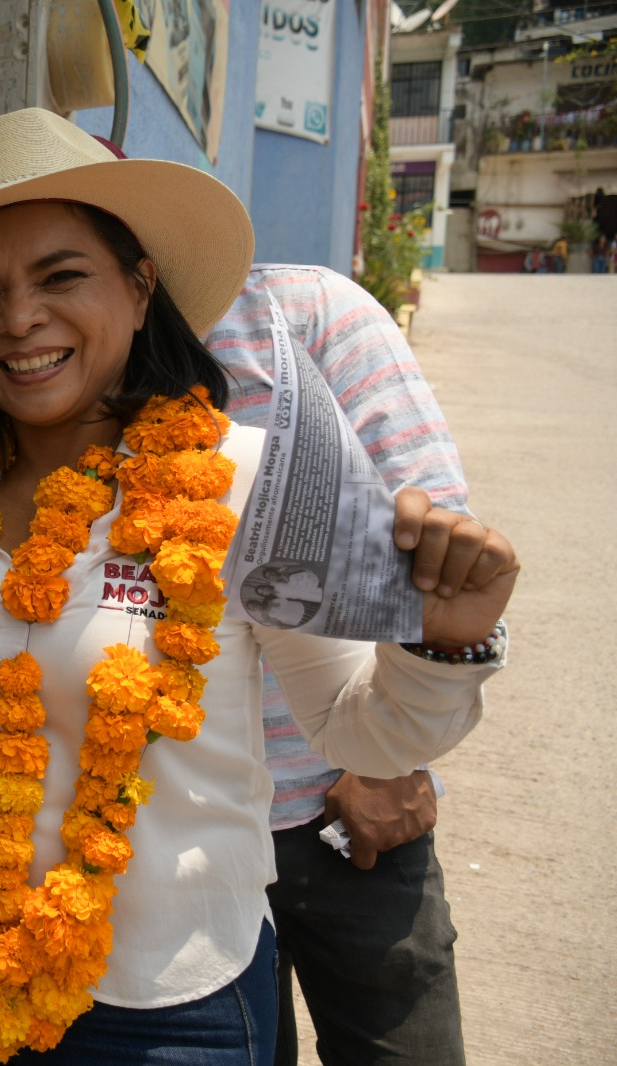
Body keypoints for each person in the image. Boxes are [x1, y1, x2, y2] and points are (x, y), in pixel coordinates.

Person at [0, 108, 516, 1064]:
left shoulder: (241, 480)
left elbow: (356, 726)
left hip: (172, 1012)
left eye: (61, 276)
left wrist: (443, 646)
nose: (18, 320)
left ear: (139, 288)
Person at [208, 262, 475, 1065]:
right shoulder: (50, 367)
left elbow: (433, 531)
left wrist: (389, 767)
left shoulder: (297, 314)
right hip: (180, 837)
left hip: (339, 809)